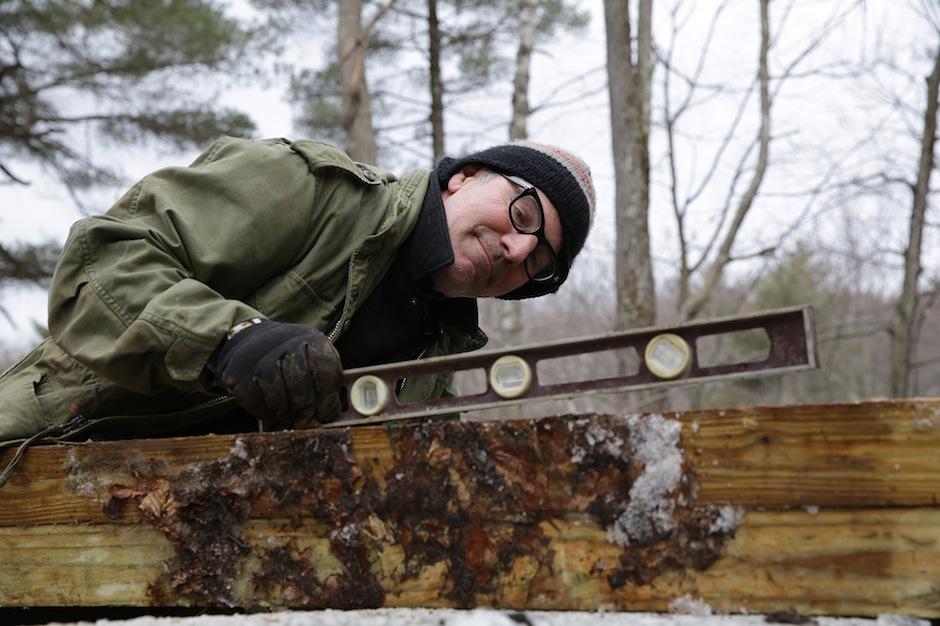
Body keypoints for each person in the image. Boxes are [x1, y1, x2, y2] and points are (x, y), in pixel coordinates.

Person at [0, 136, 595, 442]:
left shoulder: (441, 362)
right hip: (36, 460)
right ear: (464, 177)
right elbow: (100, 265)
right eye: (524, 214)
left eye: (539, 260)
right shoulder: (311, 188)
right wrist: (229, 341)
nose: (520, 249)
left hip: (174, 564)